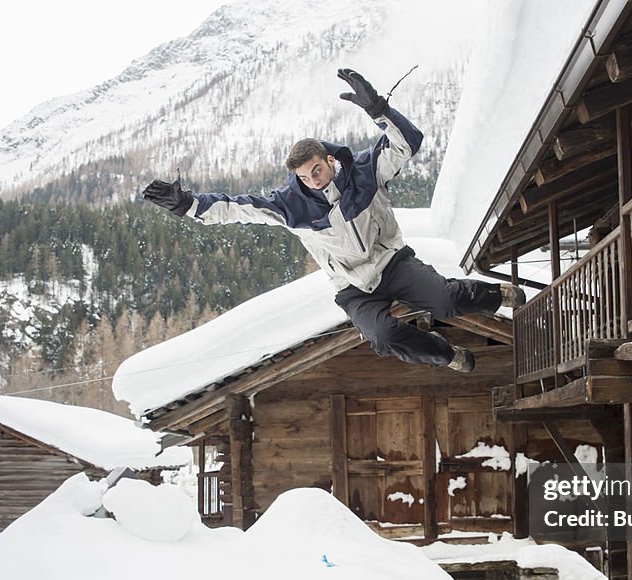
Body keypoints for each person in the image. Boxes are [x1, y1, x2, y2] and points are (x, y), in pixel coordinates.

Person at [142, 68, 524, 373]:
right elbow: (236, 208)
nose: (313, 180)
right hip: (351, 284)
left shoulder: (364, 171)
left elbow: (409, 143)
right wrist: (187, 205)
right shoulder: (291, 205)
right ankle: (445, 355)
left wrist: (379, 111)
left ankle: (494, 295)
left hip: (392, 263)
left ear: (329, 160)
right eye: (304, 177)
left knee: (443, 300)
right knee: (382, 336)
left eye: (316, 170)